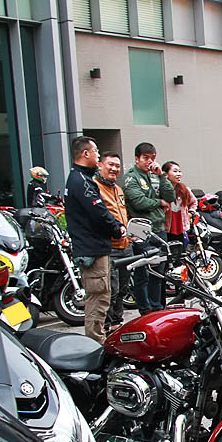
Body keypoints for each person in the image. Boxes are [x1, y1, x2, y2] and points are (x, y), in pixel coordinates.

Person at [64, 136, 124, 343]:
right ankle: (95, 344)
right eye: (96, 151)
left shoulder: (80, 178)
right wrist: (117, 229)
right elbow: (98, 212)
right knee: (99, 298)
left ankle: (97, 340)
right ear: (85, 153)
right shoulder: (81, 181)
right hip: (93, 249)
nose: (98, 155)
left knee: (101, 296)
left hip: (93, 247)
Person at [123, 142, 175, 313]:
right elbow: (138, 202)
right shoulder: (131, 177)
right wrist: (159, 202)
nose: (149, 161)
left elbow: (170, 196)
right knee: (143, 271)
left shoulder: (155, 175)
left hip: (158, 227)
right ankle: (145, 309)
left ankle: (158, 307)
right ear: (137, 159)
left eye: (152, 158)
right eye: (145, 158)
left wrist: (162, 177)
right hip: (140, 228)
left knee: (159, 270)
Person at [93, 152, 130, 332]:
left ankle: (117, 322)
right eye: (111, 165)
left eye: (117, 165)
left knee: (123, 289)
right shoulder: (94, 187)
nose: (115, 169)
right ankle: (107, 327)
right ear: (100, 165)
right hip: (109, 248)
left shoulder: (118, 189)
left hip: (126, 245)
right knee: (111, 290)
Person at [161, 161, 193, 247]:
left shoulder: (184, 189)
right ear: (166, 174)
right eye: (175, 171)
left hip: (181, 226)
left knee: (181, 252)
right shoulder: (161, 189)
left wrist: (191, 212)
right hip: (166, 228)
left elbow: (193, 202)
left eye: (179, 171)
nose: (178, 174)